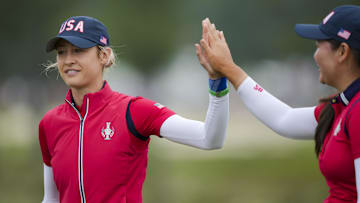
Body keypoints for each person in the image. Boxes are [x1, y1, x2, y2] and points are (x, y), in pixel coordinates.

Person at [39, 16, 229, 203]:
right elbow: (51, 198)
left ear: (104, 56)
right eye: (62, 52)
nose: (68, 60)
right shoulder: (50, 123)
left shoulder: (134, 111)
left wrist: (218, 80)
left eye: (78, 50)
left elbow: (210, 138)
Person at [196, 5, 360, 203]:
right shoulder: (343, 106)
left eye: (318, 46)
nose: (315, 56)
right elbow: (285, 119)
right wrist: (229, 69)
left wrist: (228, 68)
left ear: (342, 51)